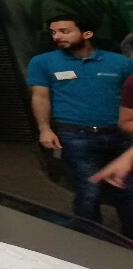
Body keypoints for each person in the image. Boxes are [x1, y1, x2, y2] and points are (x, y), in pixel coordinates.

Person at [26, 14, 133, 236]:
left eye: (64, 31)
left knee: (127, 189)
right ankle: (91, 239)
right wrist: (45, 129)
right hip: (75, 136)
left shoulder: (121, 63)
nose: (57, 36)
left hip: (120, 135)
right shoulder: (43, 62)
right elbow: (40, 97)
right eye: (54, 32)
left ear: (87, 34)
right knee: (89, 190)